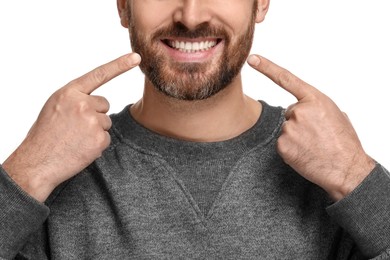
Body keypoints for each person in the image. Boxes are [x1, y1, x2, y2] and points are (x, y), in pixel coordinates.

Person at [0, 0, 389, 259]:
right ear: (123, 5)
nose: (190, 15)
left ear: (261, 3)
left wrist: (355, 177)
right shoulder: (52, 180)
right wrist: (26, 174)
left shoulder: (334, 180)